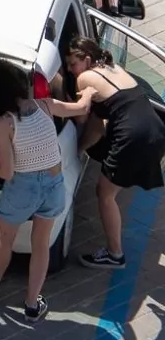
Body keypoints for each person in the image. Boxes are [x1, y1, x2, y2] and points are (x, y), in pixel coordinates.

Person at [43, 37, 165, 267]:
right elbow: (103, 121)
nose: (69, 69)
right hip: (155, 130)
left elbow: (86, 121)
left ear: (87, 59)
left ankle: (115, 254)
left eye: (72, 63)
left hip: (132, 136)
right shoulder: (112, 67)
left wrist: (77, 149)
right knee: (111, 187)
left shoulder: (85, 78)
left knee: (104, 193)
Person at [0, 81, 68, 320]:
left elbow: (7, 173)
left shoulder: (5, 122)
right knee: (41, 244)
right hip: (54, 184)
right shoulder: (44, 106)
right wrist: (91, 94)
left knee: (5, 238)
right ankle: (32, 305)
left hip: (23, 187)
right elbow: (79, 108)